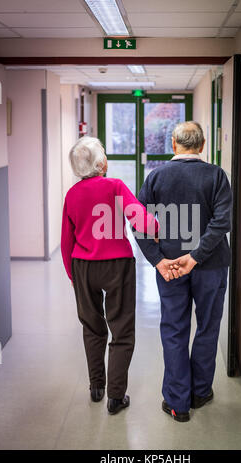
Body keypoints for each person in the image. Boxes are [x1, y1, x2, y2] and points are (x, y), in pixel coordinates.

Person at [136, 122, 232, 423]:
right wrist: (196, 257)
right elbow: (221, 222)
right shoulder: (216, 176)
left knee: (174, 330)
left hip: (170, 267)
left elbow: (137, 220)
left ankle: (178, 403)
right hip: (211, 265)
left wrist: (157, 260)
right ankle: (200, 392)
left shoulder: (156, 176)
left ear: (174, 145)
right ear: (202, 145)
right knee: (207, 328)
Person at [61, 136, 159, 415]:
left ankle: (96, 388)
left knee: (92, 327)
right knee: (122, 329)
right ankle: (116, 398)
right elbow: (138, 216)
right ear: (101, 163)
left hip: (83, 265)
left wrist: (72, 275)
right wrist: (156, 227)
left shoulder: (71, 194)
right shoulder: (114, 185)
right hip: (117, 264)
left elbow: (66, 240)